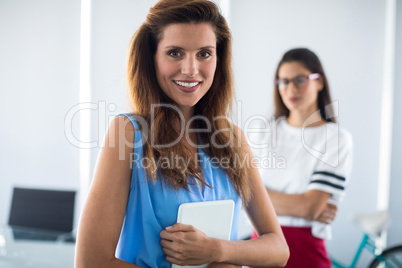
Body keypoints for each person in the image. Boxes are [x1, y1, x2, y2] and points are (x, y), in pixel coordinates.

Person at [75, 0, 289, 267]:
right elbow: (90, 262)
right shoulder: (129, 134)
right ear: (152, 58)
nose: (190, 69)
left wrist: (218, 250)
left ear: (218, 59)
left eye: (204, 53)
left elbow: (279, 249)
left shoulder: (233, 140)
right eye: (175, 53)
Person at [249, 48, 353, 268]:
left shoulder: (336, 138)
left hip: (306, 254)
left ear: (319, 82)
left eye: (300, 79)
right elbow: (241, 191)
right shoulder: (262, 131)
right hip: (259, 251)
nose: (291, 88)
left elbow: (310, 208)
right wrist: (299, 205)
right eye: (283, 81)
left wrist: (256, 197)